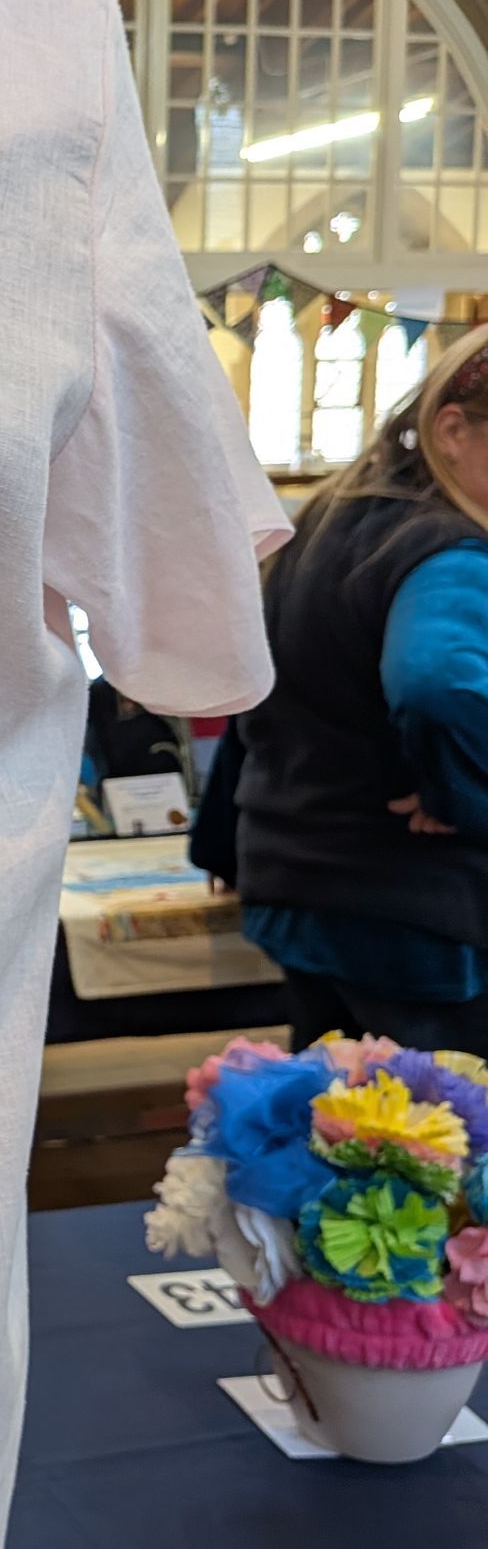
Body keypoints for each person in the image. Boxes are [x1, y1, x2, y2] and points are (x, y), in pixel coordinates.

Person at [232, 324, 488, 1055]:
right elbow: (439, 682)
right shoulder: (448, 550)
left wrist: (220, 840)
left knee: (345, 1139)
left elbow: (267, 693)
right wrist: (465, 799)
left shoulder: (334, 516)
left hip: (303, 886)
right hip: (415, 915)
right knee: (441, 1154)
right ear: (451, 430)